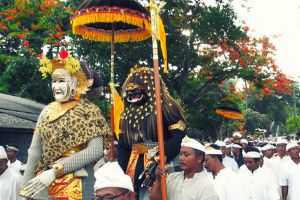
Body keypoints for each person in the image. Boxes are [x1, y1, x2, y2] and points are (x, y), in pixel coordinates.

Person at [19, 52, 110, 199]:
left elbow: (95, 150)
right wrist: (25, 187)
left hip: (77, 179)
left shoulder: (90, 109)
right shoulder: (46, 111)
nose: (56, 86)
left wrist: (56, 171)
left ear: (74, 83)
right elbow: (35, 151)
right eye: (53, 82)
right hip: (44, 181)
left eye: (61, 81)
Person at [117, 66, 186, 198]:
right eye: (130, 93)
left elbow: (178, 138)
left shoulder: (167, 107)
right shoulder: (127, 114)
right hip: (133, 167)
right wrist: (120, 173)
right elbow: (124, 146)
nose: (133, 96)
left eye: (137, 92)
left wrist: (160, 158)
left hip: (163, 164)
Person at [150, 136, 219, 200]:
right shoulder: (172, 178)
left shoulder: (207, 186)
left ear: (199, 158)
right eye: (180, 154)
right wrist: (158, 180)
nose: (181, 158)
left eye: (186, 155)